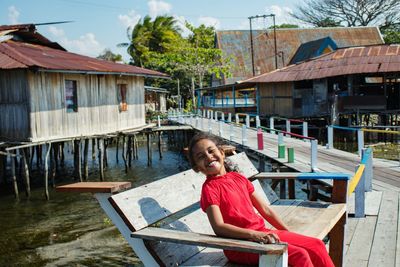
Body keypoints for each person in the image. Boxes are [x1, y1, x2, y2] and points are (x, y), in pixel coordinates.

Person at [187, 132, 334, 267]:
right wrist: (254, 235)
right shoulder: (210, 189)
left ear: (221, 152)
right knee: (299, 255)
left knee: (316, 245)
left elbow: (265, 209)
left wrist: (288, 233)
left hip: (262, 233)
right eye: (201, 157)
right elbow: (218, 226)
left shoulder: (238, 178)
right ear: (197, 168)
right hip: (239, 245)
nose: (208, 157)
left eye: (211, 151)